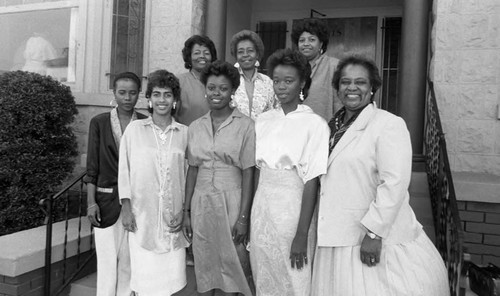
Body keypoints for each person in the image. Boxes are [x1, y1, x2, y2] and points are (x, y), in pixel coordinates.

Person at [312, 56, 449, 296]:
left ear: (372, 87)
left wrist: (374, 233)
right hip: (337, 233)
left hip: (370, 235)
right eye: (345, 82)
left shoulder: (388, 124)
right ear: (337, 87)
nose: (352, 88)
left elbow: (394, 184)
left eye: (360, 82)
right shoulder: (331, 126)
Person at [250, 48, 329, 296]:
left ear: (303, 82)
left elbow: (312, 181)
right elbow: (256, 172)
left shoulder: (314, 124)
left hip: (294, 212)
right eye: (276, 80)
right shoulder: (262, 121)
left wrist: (301, 234)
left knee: (296, 279)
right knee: (264, 273)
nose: (281, 87)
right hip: (262, 209)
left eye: (289, 80)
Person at [183, 60, 255, 296]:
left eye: (223, 88)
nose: (217, 93)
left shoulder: (246, 126)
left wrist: (244, 217)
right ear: (205, 89)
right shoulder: (195, 126)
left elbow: (248, 172)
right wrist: (186, 213)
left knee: (233, 265)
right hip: (202, 202)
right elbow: (192, 169)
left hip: (232, 201)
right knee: (204, 263)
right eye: (212, 87)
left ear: (233, 91)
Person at [118, 70, 189, 296]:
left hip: (173, 219)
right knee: (144, 283)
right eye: (156, 94)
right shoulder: (134, 130)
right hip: (142, 218)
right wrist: (126, 207)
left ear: (175, 100)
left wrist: (185, 210)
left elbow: (189, 175)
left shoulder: (185, 134)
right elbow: (124, 170)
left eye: (167, 95)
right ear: (149, 99)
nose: (162, 100)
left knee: (170, 283)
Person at [84, 72, 147, 296]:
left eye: (132, 93)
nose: (127, 98)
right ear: (114, 93)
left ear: (139, 94)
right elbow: (92, 168)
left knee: (129, 264)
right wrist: (91, 203)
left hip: (135, 204)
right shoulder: (99, 123)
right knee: (107, 264)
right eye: (122, 92)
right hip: (105, 200)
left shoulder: (143, 123)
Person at [291, 18, 340, 121]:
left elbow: (339, 103)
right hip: (295, 128)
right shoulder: (291, 67)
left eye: (312, 39)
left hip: (325, 129)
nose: (306, 44)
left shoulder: (334, 66)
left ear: (321, 44)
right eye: (302, 40)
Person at [229, 30, 276, 120]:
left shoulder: (268, 82)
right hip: (235, 132)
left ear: (257, 54)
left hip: (262, 132)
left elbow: (275, 111)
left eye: (250, 51)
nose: (245, 55)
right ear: (235, 56)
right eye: (240, 52)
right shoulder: (229, 80)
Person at [175, 35, 218, 126]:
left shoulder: (219, 82)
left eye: (206, 53)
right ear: (189, 57)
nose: (202, 56)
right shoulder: (179, 82)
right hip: (187, 137)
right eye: (197, 53)